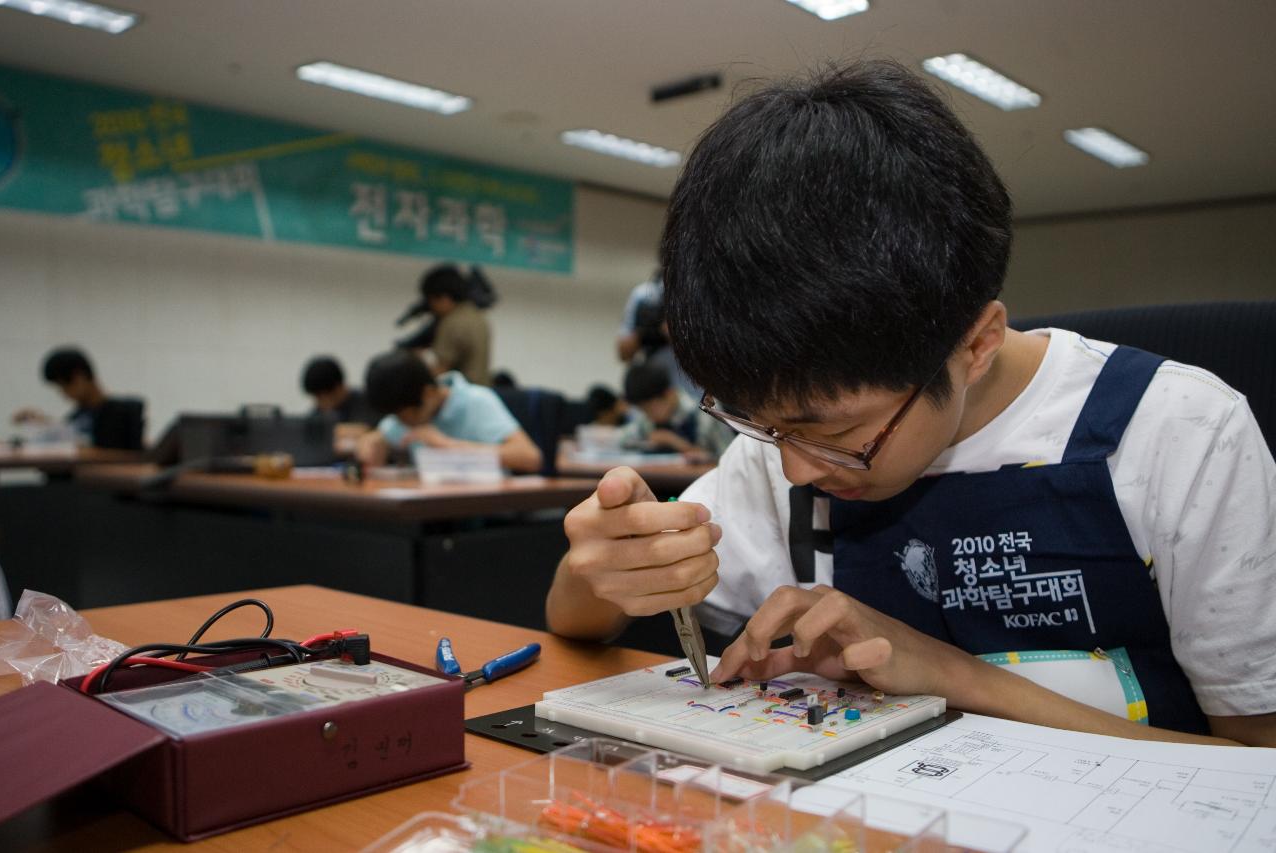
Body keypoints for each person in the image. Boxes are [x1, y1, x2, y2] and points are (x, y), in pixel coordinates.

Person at [546, 61, 1276, 747]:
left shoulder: (1178, 434)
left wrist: (952, 676)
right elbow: (576, 621)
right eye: (762, 423)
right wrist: (600, 569)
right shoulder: (781, 451)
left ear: (977, 344)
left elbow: (1254, 766)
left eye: (840, 433)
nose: (795, 469)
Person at [355, 349, 540, 473]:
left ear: (428, 393)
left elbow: (530, 457)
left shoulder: (476, 401)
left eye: (404, 416)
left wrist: (446, 445)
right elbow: (379, 436)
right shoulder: (405, 413)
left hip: (486, 514)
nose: (401, 422)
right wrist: (372, 441)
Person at [13, 347, 144, 450]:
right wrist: (41, 424)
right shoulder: (78, 414)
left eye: (63, 386)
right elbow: (67, 435)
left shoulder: (119, 413)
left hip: (95, 479)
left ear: (79, 377)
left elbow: (109, 449)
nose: (63, 394)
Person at [619, 364, 733, 461]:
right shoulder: (648, 420)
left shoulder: (706, 414)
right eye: (643, 410)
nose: (649, 416)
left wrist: (678, 444)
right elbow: (624, 439)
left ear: (669, 394)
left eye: (650, 408)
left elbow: (729, 457)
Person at [616, 272, 697, 398]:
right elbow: (623, 353)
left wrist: (676, 333)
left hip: (694, 388)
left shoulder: (698, 292)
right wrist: (645, 329)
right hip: (656, 386)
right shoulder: (644, 295)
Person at [418, 264, 492, 386]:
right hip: (481, 392)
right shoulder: (477, 316)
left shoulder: (452, 322)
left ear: (444, 298)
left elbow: (440, 371)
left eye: (432, 301)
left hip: (460, 397)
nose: (432, 307)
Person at [300, 356, 377, 424]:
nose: (318, 403)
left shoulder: (371, 405)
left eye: (320, 397)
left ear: (338, 388)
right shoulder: (317, 415)